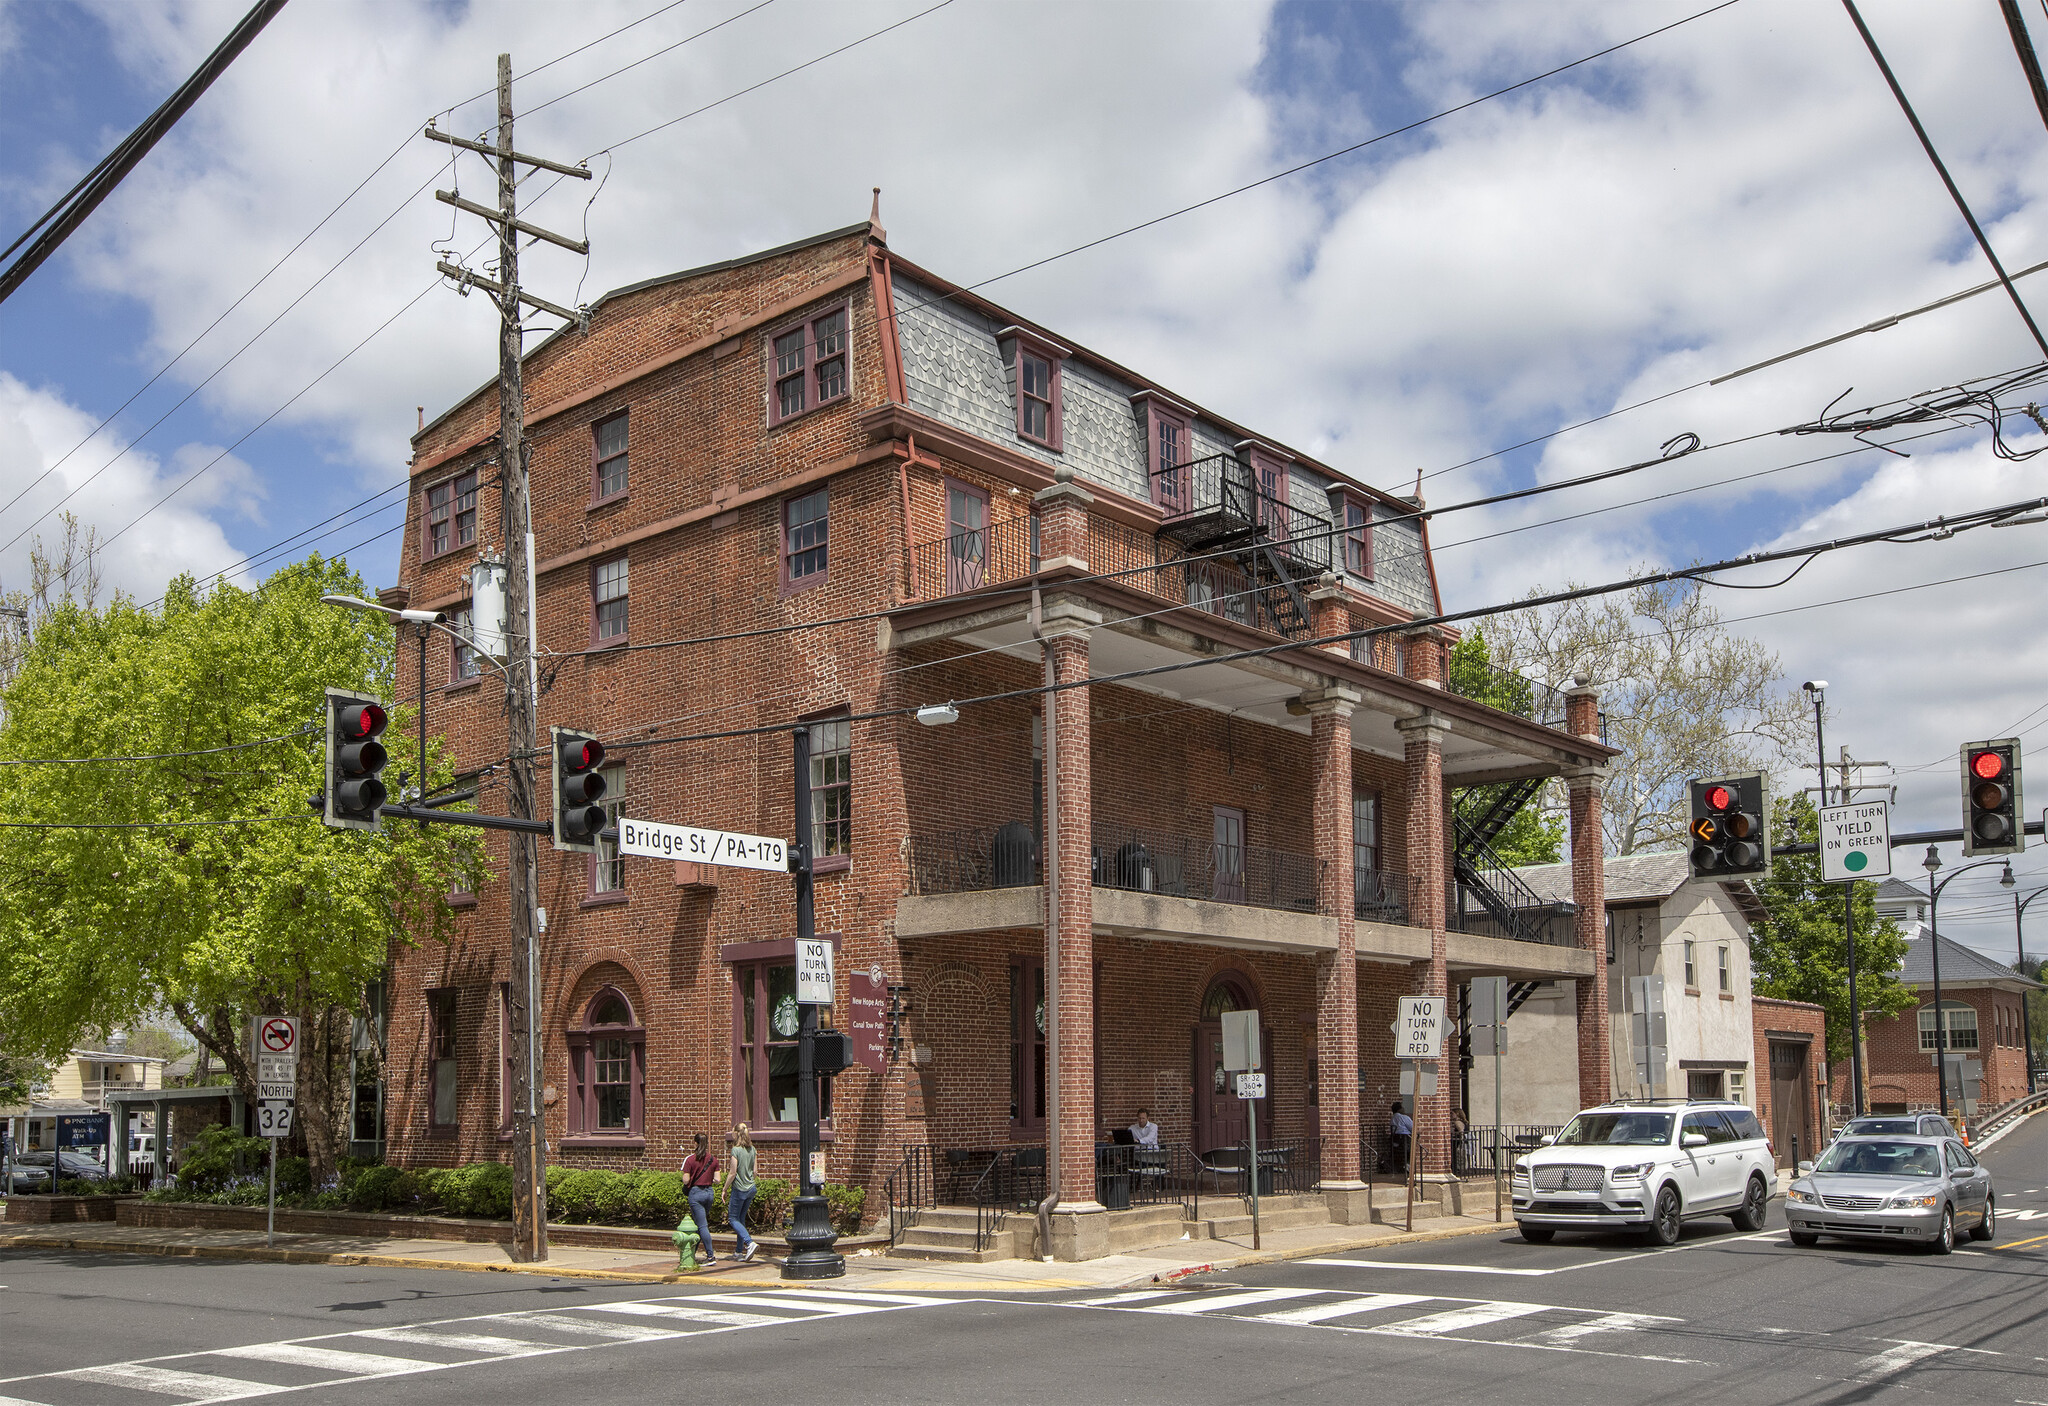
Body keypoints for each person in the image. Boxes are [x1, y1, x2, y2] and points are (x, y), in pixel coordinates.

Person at [681, 1133, 720, 1266]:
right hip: (709, 1192)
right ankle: (691, 1253)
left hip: (696, 1193)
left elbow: (686, 1180)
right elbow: (718, 1179)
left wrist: (689, 1178)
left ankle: (710, 1256)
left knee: (702, 1226)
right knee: (699, 1224)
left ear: (696, 1143)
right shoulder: (713, 1160)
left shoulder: (690, 1159)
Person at [723, 1123, 758, 1263]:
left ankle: (749, 1243)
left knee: (732, 1218)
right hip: (751, 1188)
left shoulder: (736, 1150)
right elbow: (755, 1172)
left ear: (736, 1134)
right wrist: (749, 1180)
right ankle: (738, 1252)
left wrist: (724, 1189)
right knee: (740, 1219)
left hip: (739, 1189)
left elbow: (732, 1172)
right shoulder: (753, 1149)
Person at [1388, 1100, 1413, 1177]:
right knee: (1412, 1150)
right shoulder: (1404, 1117)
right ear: (1399, 1109)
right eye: (1402, 1107)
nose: (1404, 1109)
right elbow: (1413, 1128)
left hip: (1395, 1140)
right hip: (1405, 1140)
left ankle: (1403, 1166)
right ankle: (1408, 1166)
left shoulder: (1392, 1119)